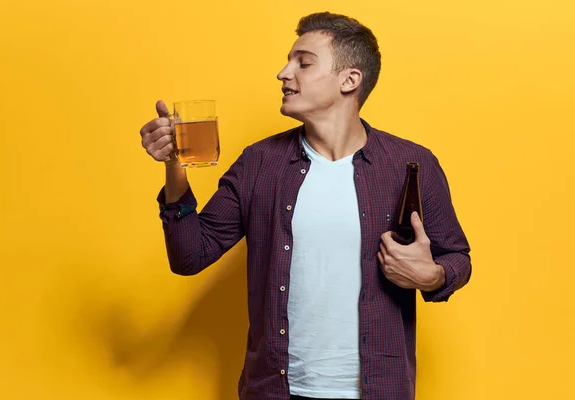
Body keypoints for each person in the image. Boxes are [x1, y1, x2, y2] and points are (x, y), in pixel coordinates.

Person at [139, 11, 471, 400]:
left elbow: (457, 257)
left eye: (303, 62)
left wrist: (430, 275)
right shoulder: (260, 163)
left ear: (350, 80)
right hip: (276, 391)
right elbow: (190, 255)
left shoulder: (409, 164)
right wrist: (174, 167)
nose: (283, 73)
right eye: (287, 60)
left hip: (379, 390)